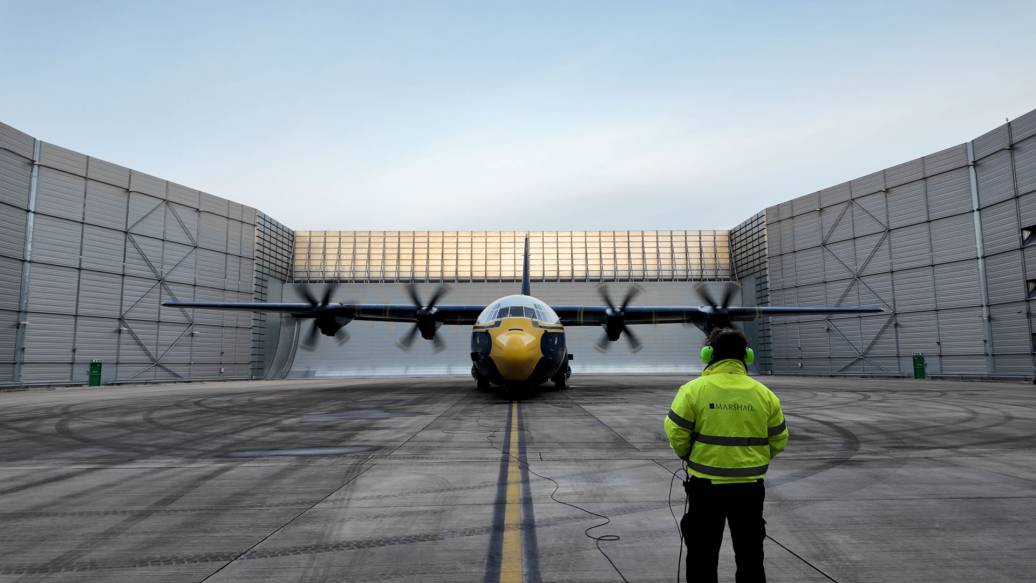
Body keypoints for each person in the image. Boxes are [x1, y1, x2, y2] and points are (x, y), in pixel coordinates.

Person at [663, 327, 789, 583]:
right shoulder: (765, 394)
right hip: (750, 490)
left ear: (708, 354)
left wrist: (690, 455)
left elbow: (676, 433)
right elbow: (779, 439)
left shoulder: (692, 391)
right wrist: (752, 460)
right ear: (748, 356)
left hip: (705, 488)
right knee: (751, 555)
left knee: (701, 555)